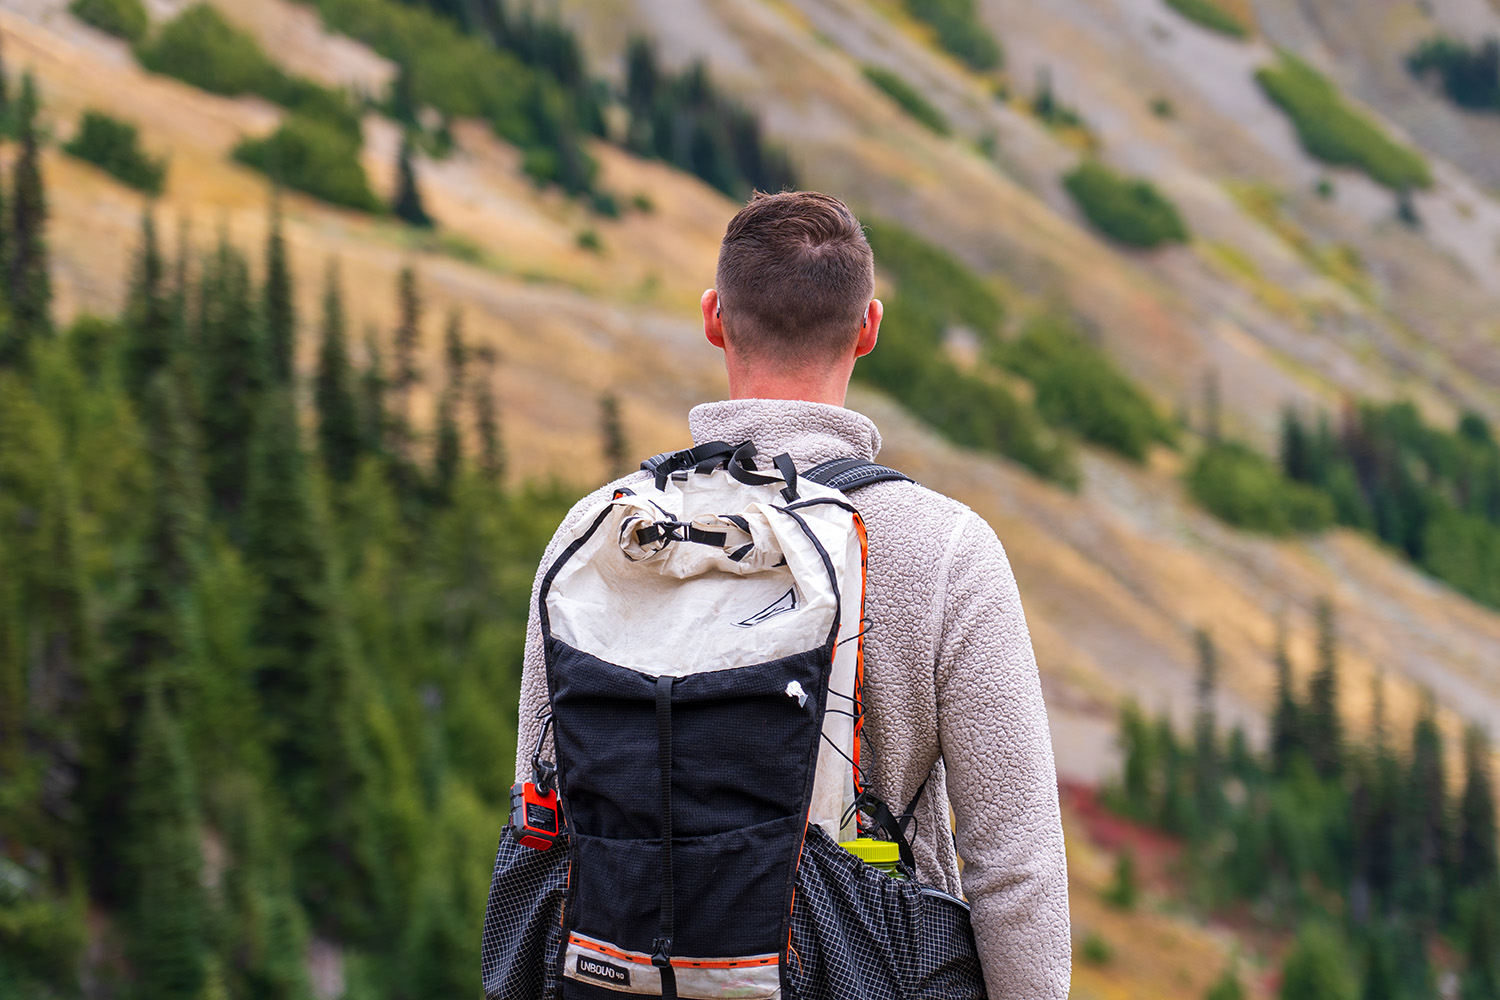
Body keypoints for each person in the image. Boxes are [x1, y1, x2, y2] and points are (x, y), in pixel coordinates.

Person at [513, 190, 1071, 998]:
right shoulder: (944, 548)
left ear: (714, 318)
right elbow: (1015, 862)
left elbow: (539, 809)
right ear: (869, 328)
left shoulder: (599, 534)